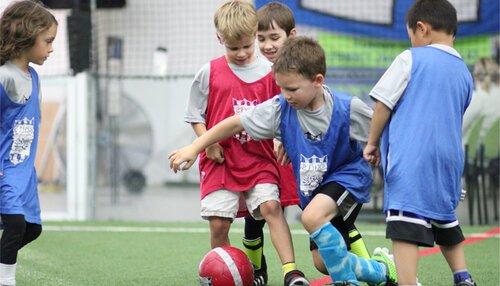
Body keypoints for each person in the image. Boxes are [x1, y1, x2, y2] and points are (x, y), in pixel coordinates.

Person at [171, 36, 397, 286]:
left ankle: (346, 282)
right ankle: (381, 271)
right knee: (324, 261)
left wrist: (384, 157)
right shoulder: (280, 109)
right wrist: (195, 148)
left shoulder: (348, 108)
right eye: (281, 88)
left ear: (318, 81)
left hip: (349, 176)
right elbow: (235, 123)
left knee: (311, 218)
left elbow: (389, 131)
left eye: (292, 89)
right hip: (317, 186)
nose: (285, 95)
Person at [183, 1, 307, 285]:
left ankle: (291, 271)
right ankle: (222, 275)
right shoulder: (208, 72)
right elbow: (193, 115)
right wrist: (207, 142)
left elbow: (283, 114)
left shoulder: (271, 72)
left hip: (259, 158)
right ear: (220, 40)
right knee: (218, 222)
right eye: (232, 48)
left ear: (254, 35)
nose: (240, 53)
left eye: (247, 46)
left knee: (271, 208)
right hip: (220, 160)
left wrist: (282, 141)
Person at [252, 2, 373, 279]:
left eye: (274, 37)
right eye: (261, 39)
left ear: (291, 35)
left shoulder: (329, 96)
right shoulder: (271, 80)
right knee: (321, 261)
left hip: (339, 172)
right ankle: (379, 269)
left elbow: (323, 110)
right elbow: (273, 117)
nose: (268, 45)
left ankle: (354, 276)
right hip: (307, 170)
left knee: (320, 217)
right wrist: (282, 138)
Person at [363, 0, 476, 285]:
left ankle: (407, 281)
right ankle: (462, 276)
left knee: (404, 223)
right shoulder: (464, 72)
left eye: (410, 34)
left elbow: (382, 106)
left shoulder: (410, 58)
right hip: (449, 159)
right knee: (444, 218)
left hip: (412, 158)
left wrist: (372, 142)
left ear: (421, 29)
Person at [0, 1, 58, 285]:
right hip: (5, 169)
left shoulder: (33, 76)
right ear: (26, 35)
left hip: (25, 172)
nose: (51, 48)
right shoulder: (4, 76)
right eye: (47, 41)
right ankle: (6, 279)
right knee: (14, 224)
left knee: (32, 229)